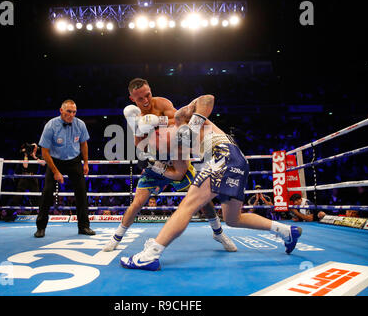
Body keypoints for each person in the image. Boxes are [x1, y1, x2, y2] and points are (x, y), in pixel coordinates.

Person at [120, 94, 302, 271]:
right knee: (233, 219)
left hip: (222, 156)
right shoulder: (172, 133)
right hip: (237, 161)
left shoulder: (182, 114)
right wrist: (153, 163)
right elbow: (176, 169)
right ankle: (286, 231)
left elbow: (208, 98)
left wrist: (193, 123)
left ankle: (150, 256)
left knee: (187, 206)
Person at [103, 79, 236, 252]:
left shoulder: (162, 103)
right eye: (139, 99)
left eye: (147, 95)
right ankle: (116, 238)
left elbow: (180, 121)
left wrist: (155, 121)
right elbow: (138, 142)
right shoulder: (135, 117)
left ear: (151, 90)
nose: (145, 101)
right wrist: (144, 145)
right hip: (156, 161)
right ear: (132, 99)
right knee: (137, 203)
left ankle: (218, 232)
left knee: (201, 199)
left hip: (177, 157)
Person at [34, 99, 95, 237]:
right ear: (61, 110)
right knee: (47, 193)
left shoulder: (80, 124)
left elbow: (84, 144)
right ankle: (40, 227)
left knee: (81, 193)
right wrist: (55, 171)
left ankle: (84, 227)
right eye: (68, 111)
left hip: (74, 161)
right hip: (55, 161)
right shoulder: (51, 125)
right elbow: (44, 151)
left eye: (74, 112)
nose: (71, 114)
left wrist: (85, 163)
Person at [12, 143, 43, 208]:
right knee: (18, 195)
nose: (34, 148)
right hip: (25, 176)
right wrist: (26, 155)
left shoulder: (38, 155)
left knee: (35, 196)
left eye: (35, 147)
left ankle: (36, 212)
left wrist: (34, 157)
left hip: (34, 177)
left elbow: (43, 164)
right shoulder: (26, 154)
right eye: (32, 147)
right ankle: (9, 212)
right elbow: (25, 166)